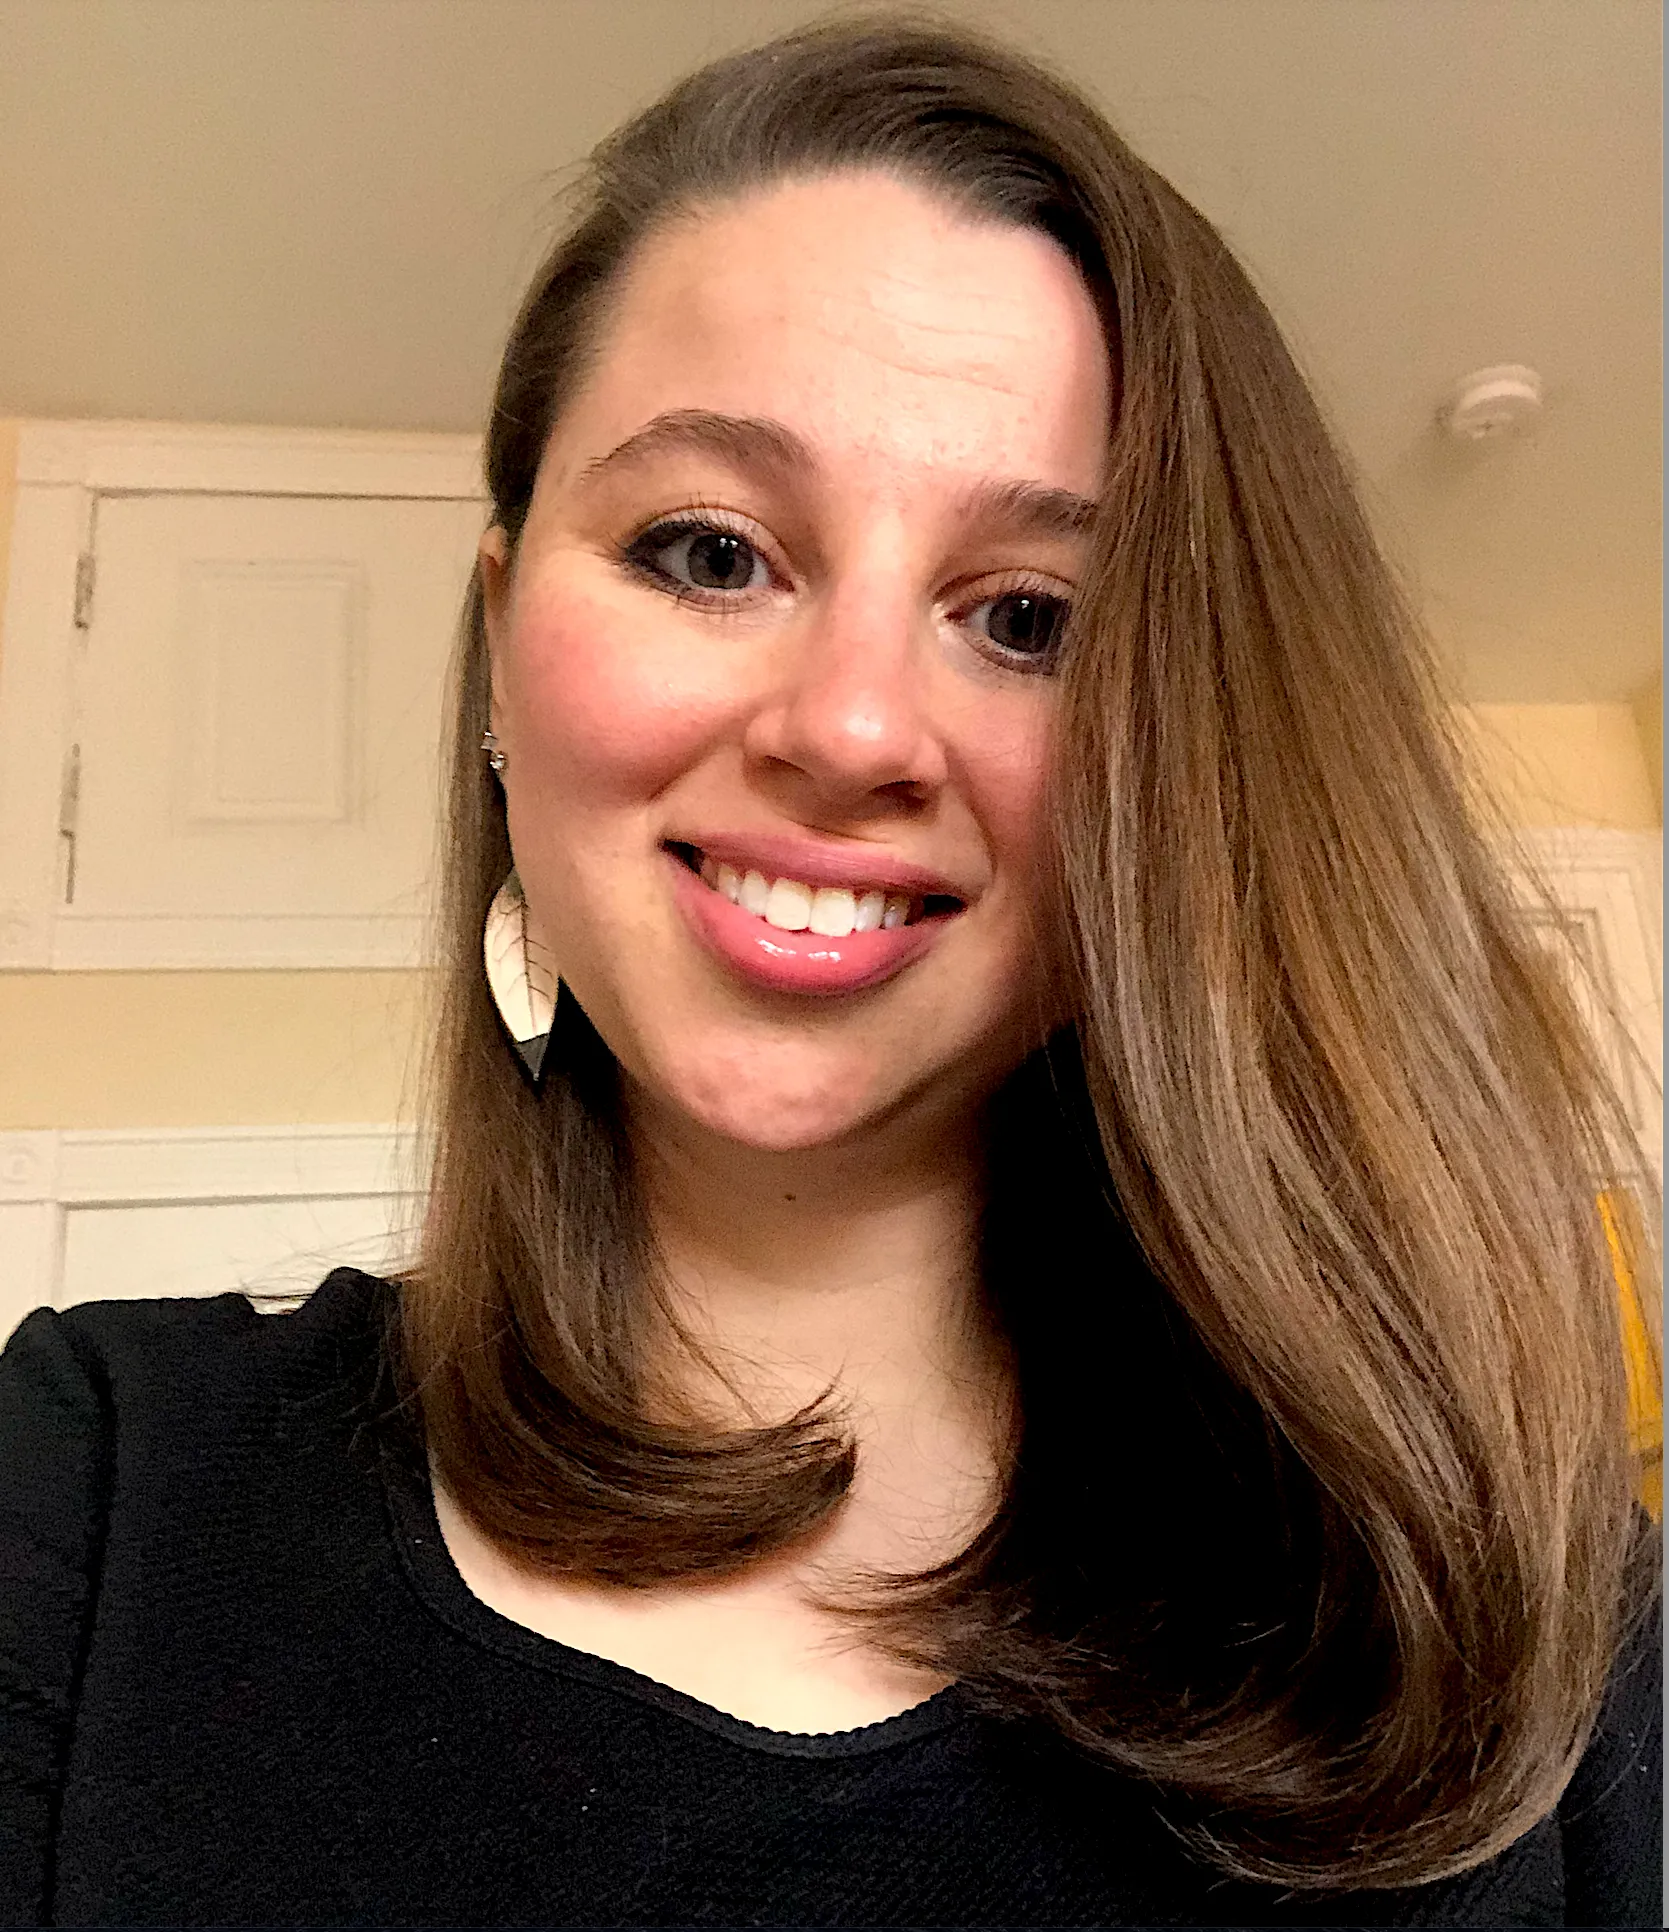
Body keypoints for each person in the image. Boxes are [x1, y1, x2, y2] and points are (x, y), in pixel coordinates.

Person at [1, 11, 1659, 1926]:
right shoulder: (100, 1490)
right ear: (499, 641)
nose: (857, 723)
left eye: (1030, 616)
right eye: (710, 552)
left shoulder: (1542, 1648)